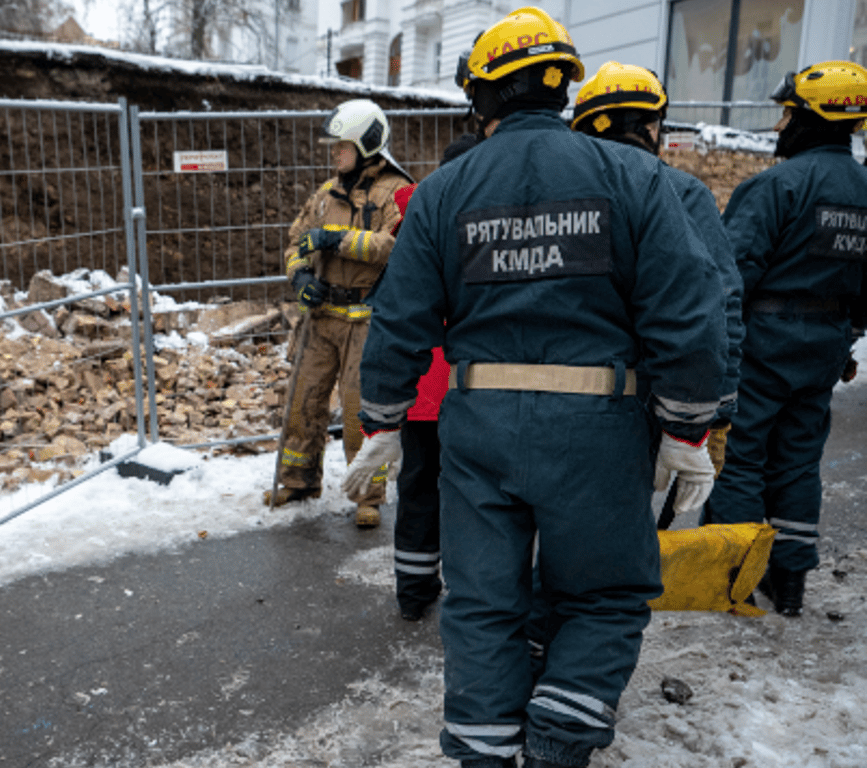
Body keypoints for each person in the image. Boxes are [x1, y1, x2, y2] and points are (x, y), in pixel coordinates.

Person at [342, 7, 727, 767]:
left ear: (483, 98)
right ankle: (558, 738)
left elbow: (400, 316)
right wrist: (687, 430)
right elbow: (690, 311)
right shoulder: (636, 177)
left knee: (483, 605)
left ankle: (485, 752)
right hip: (599, 425)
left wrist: (381, 419)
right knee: (603, 595)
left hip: (479, 423)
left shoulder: (446, 192)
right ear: (561, 89)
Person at [702, 60, 867, 617]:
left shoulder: (775, 186)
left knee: (742, 458)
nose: (781, 127)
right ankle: (790, 581)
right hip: (825, 344)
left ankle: (733, 577)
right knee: (799, 460)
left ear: (812, 118)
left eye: (789, 114)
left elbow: (731, 273)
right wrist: (846, 338)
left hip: (763, 341)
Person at [569, 61, 744, 488]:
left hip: (555, 396)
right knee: (621, 531)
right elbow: (719, 308)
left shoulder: (560, 194)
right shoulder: (683, 192)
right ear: (652, 127)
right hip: (646, 397)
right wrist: (712, 417)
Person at [265, 98, 415, 529]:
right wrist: (300, 280)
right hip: (322, 317)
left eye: (342, 146)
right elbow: (295, 243)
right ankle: (297, 479)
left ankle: (368, 495)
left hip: (366, 319)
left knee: (359, 410)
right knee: (303, 401)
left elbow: (394, 247)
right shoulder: (326, 193)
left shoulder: (399, 193)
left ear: (368, 145)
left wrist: (336, 239)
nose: (334, 154)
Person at [390, 133, 478, 622]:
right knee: (473, 494)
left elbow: (399, 309)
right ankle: (474, 594)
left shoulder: (417, 218)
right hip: (471, 387)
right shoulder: (490, 220)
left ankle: (413, 588)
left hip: (422, 387)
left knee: (419, 486)